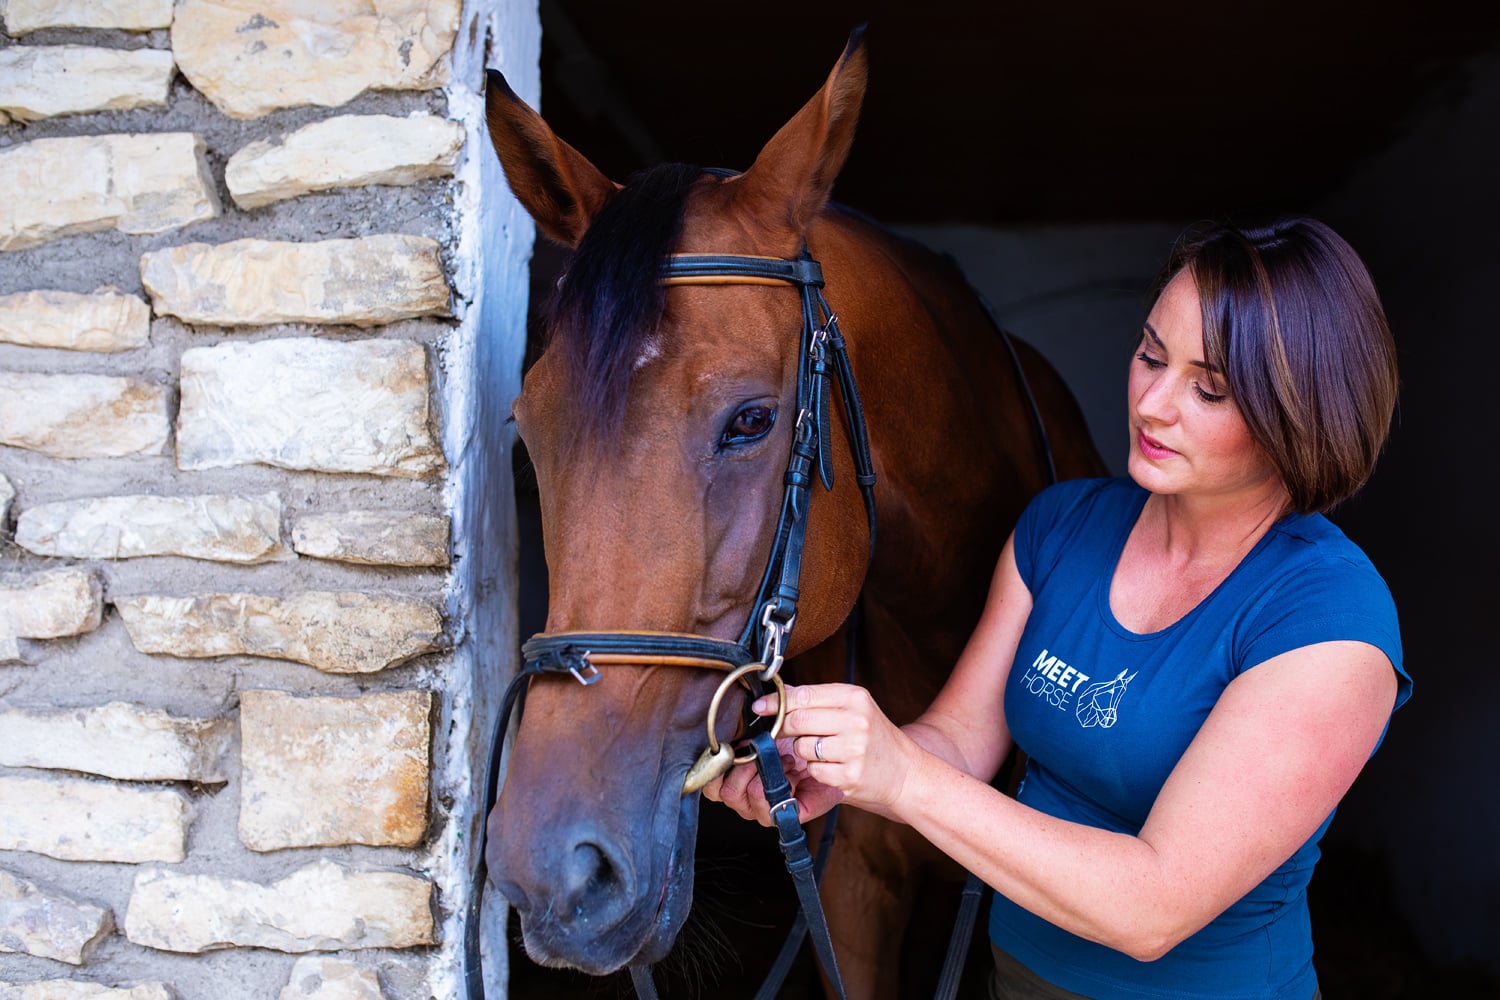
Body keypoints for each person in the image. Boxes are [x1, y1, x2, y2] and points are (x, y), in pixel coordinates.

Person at [705, 215, 1410, 1000]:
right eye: (1150, 353)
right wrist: (830, 762)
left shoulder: (1329, 618)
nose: (1153, 403)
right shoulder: (1062, 527)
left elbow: (1155, 907)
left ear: (1303, 415)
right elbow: (957, 743)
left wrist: (901, 779)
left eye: (1208, 387)